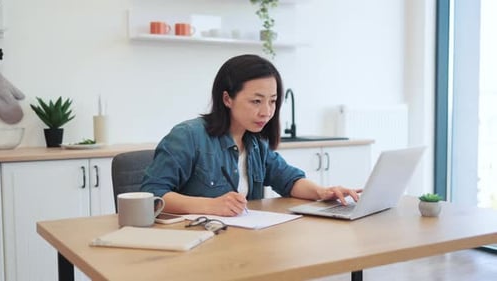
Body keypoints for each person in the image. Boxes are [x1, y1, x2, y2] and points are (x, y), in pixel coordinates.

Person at [141, 54, 361, 217]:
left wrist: (323, 192)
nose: (266, 111)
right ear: (227, 99)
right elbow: (151, 195)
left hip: (240, 241)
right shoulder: (188, 136)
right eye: (256, 101)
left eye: (272, 101)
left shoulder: (255, 142)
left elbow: (289, 180)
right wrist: (209, 205)